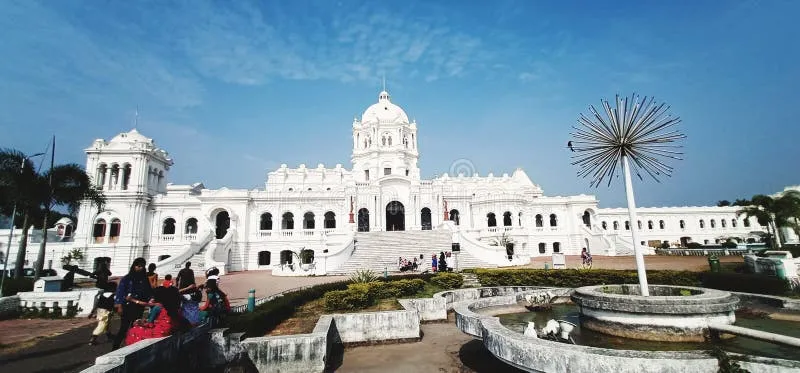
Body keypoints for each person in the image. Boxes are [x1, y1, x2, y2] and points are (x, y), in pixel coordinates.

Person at [112, 257, 154, 350]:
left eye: (142, 266)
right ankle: (114, 349)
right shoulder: (127, 278)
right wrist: (119, 306)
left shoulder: (144, 279)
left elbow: (148, 291)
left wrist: (151, 298)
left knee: (135, 328)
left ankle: (131, 348)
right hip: (127, 306)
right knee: (123, 329)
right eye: (138, 266)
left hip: (139, 307)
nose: (140, 268)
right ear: (134, 266)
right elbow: (120, 292)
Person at [124, 286, 188, 346]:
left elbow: (151, 322)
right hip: (166, 331)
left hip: (160, 333)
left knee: (134, 330)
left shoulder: (159, 306)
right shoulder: (172, 308)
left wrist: (143, 323)